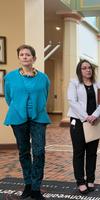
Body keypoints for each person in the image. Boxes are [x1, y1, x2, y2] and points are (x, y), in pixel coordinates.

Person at [4, 44, 51, 200]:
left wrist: (34, 109)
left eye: (28, 55)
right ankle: (28, 184)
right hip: (18, 118)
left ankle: (36, 188)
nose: (25, 57)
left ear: (34, 58)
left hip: (39, 117)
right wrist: (20, 109)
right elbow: (9, 98)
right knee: (24, 151)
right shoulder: (10, 77)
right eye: (22, 54)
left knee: (39, 152)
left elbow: (45, 95)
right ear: (19, 58)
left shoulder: (43, 78)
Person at [67, 59, 100, 194]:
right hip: (78, 121)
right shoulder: (74, 83)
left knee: (92, 152)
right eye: (84, 68)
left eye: (89, 68)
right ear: (80, 70)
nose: (87, 70)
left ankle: (90, 179)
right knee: (79, 152)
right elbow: (72, 100)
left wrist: (94, 115)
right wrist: (86, 116)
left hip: (94, 122)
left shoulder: (98, 84)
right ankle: (80, 181)